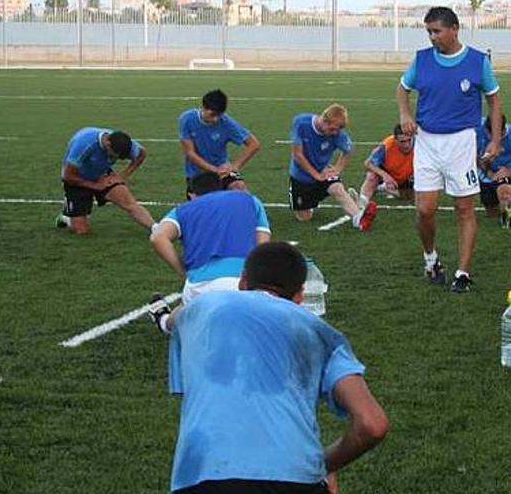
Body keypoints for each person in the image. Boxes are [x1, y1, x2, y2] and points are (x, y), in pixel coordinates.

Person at [152, 242, 389, 493]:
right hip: (296, 480)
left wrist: (164, 319)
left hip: (202, 475)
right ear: (299, 295)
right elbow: (372, 424)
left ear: (243, 282)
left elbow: (175, 319)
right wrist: (323, 465)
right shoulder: (322, 334)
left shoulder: (202, 307)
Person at [396, 6, 503, 292]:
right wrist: (405, 115)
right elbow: (402, 88)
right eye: (429, 31)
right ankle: (430, 258)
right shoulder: (421, 60)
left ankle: (463, 272)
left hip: (461, 143)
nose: (432, 37)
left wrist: (494, 140)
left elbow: (494, 101)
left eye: (437, 31)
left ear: (454, 28)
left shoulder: (478, 61)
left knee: (464, 209)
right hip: (428, 141)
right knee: (425, 210)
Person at [150, 171, 271, 313]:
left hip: (200, 283)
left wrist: (184, 272)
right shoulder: (250, 200)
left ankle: (164, 320)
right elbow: (263, 244)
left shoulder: (182, 210)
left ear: (192, 194)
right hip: (243, 280)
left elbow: (157, 238)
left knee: (187, 315)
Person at [288, 104, 378, 231]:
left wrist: (337, 169)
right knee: (304, 218)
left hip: (323, 172)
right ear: (324, 120)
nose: (335, 133)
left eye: (337, 130)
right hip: (301, 177)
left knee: (337, 189)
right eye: (332, 129)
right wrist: (315, 175)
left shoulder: (338, 134)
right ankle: (352, 203)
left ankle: (359, 219)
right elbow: (297, 154)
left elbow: (348, 150)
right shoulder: (301, 123)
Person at [55, 127, 156, 235]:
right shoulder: (84, 144)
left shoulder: (123, 143)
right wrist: (95, 185)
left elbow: (142, 154)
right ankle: (66, 217)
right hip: (77, 178)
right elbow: (68, 176)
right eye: (112, 155)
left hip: (102, 174)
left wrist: (122, 176)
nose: (113, 158)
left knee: (129, 203)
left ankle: (156, 228)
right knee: (81, 230)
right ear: (107, 144)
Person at [179, 89, 261, 198]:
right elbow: (190, 153)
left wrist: (235, 166)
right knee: (201, 207)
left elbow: (254, 144)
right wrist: (215, 170)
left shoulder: (227, 123)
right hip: (197, 173)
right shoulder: (187, 119)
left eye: (219, 115)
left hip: (223, 170)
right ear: (203, 107)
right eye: (212, 114)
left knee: (240, 189)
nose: (216, 119)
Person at [354, 124, 415, 208]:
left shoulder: (419, 144)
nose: (407, 145)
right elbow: (368, 163)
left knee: (413, 197)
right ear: (395, 140)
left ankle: (383, 188)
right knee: (372, 176)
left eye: (409, 140)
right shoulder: (387, 145)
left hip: (407, 176)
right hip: (388, 173)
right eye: (402, 142)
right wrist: (385, 176)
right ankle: (362, 204)